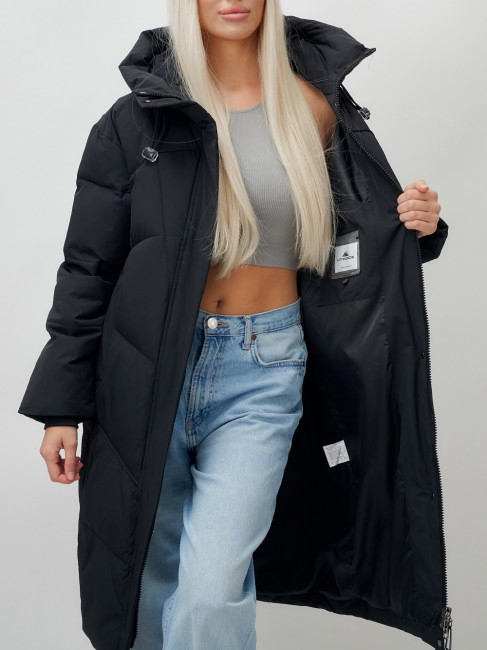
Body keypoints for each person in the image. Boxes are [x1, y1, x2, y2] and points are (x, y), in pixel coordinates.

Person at [18, 2, 451, 650]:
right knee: (149, 585)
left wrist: (419, 224)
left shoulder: (314, 107)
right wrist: (60, 409)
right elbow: (88, 268)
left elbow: (362, 234)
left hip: (265, 368)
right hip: (149, 369)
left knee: (211, 589)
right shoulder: (137, 119)